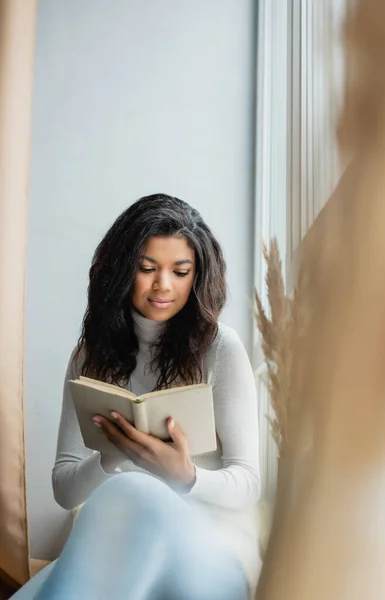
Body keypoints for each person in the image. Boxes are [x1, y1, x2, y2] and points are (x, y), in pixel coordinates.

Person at [13, 194, 261, 599]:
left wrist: (184, 477)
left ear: (197, 275)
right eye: (147, 269)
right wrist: (115, 453)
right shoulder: (90, 354)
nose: (163, 285)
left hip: (210, 550)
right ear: (121, 272)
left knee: (134, 491)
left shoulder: (221, 348)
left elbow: (249, 482)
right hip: (126, 545)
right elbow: (65, 490)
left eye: (180, 271)